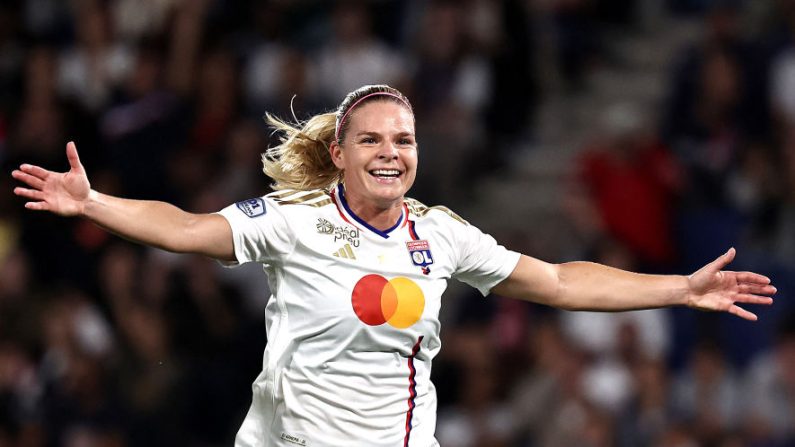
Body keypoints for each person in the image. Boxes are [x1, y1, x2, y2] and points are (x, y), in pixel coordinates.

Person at [11, 84, 776, 447]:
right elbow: (186, 228)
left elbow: (558, 280)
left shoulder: (441, 236)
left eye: (403, 140)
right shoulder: (294, 219)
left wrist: (679, 286)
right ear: (338, 153)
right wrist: (97, 203)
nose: (390, 152)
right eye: (371, 139)